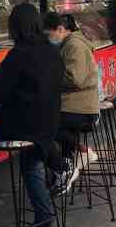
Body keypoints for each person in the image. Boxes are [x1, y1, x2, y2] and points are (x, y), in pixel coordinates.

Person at [0, 4, 76, 227]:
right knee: (32, 161)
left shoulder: (17, 55)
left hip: (25, 126)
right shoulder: (53, 52)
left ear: (15, 27)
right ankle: (56, 166)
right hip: (50, 122)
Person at [43, 12, 100, 155]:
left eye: (49, 35)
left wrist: (48, 78)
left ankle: (81, 151)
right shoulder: (68, 44)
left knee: (43, 124)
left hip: (80, 108)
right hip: (76, 104)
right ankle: (71, 158)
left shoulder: (74, 45)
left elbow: (74, 79)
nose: (48, 39)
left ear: (60, 29)